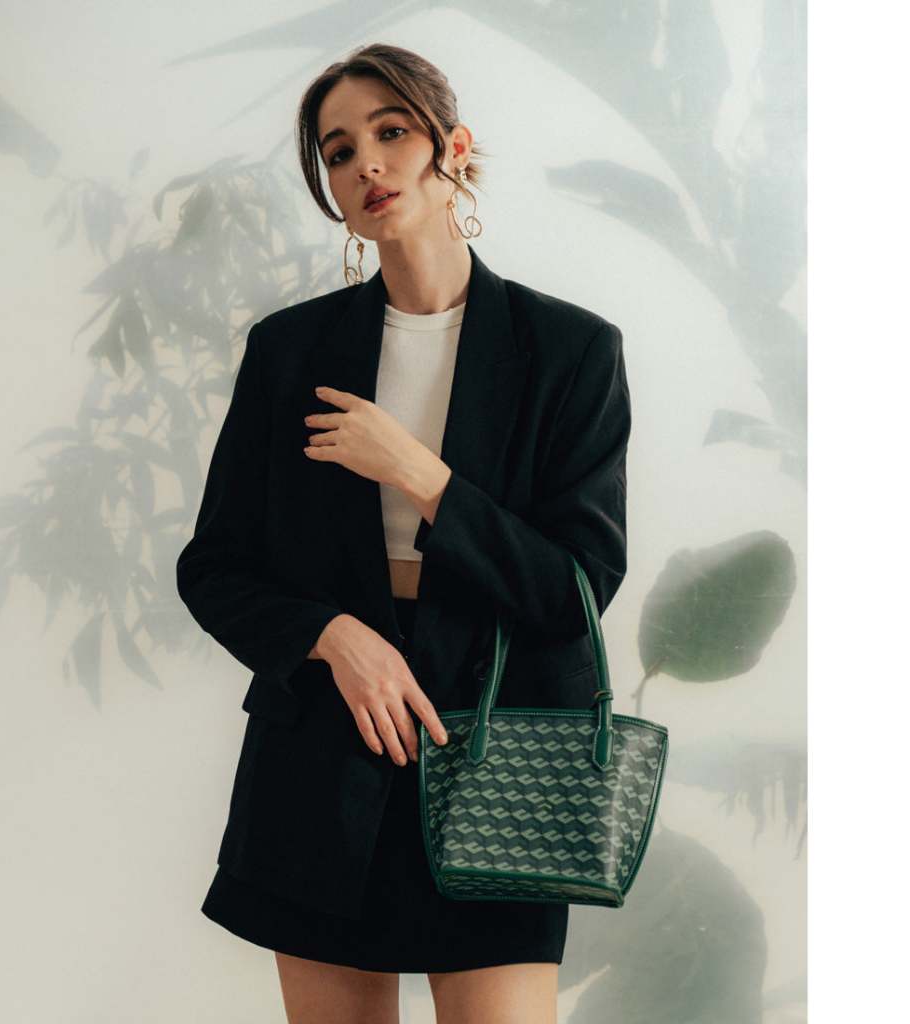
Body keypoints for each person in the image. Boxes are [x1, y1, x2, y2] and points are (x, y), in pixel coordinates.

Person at [176, 42, 631, 1024]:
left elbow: (576, 588)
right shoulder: (291, 350)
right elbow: (213, 567)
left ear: (453, 148)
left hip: (500, 758)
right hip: (321, 755)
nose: (366, 165)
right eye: (339, 152)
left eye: (392, 132)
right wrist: (330, 636)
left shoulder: (569, 351)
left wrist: (420, 474)